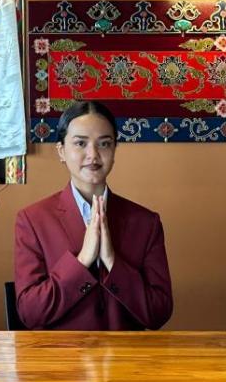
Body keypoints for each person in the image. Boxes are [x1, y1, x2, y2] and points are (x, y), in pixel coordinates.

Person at [13, 100, 172, 330]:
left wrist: (112, 261)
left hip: (126, 352)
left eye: (104, 144)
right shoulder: (33, 220)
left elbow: (159, 313)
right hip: (61, 351)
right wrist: (81, 262)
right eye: (80, 143)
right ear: (61, 151)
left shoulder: (146, 223)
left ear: (114, 150)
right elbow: (30, 313)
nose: (93, 155)